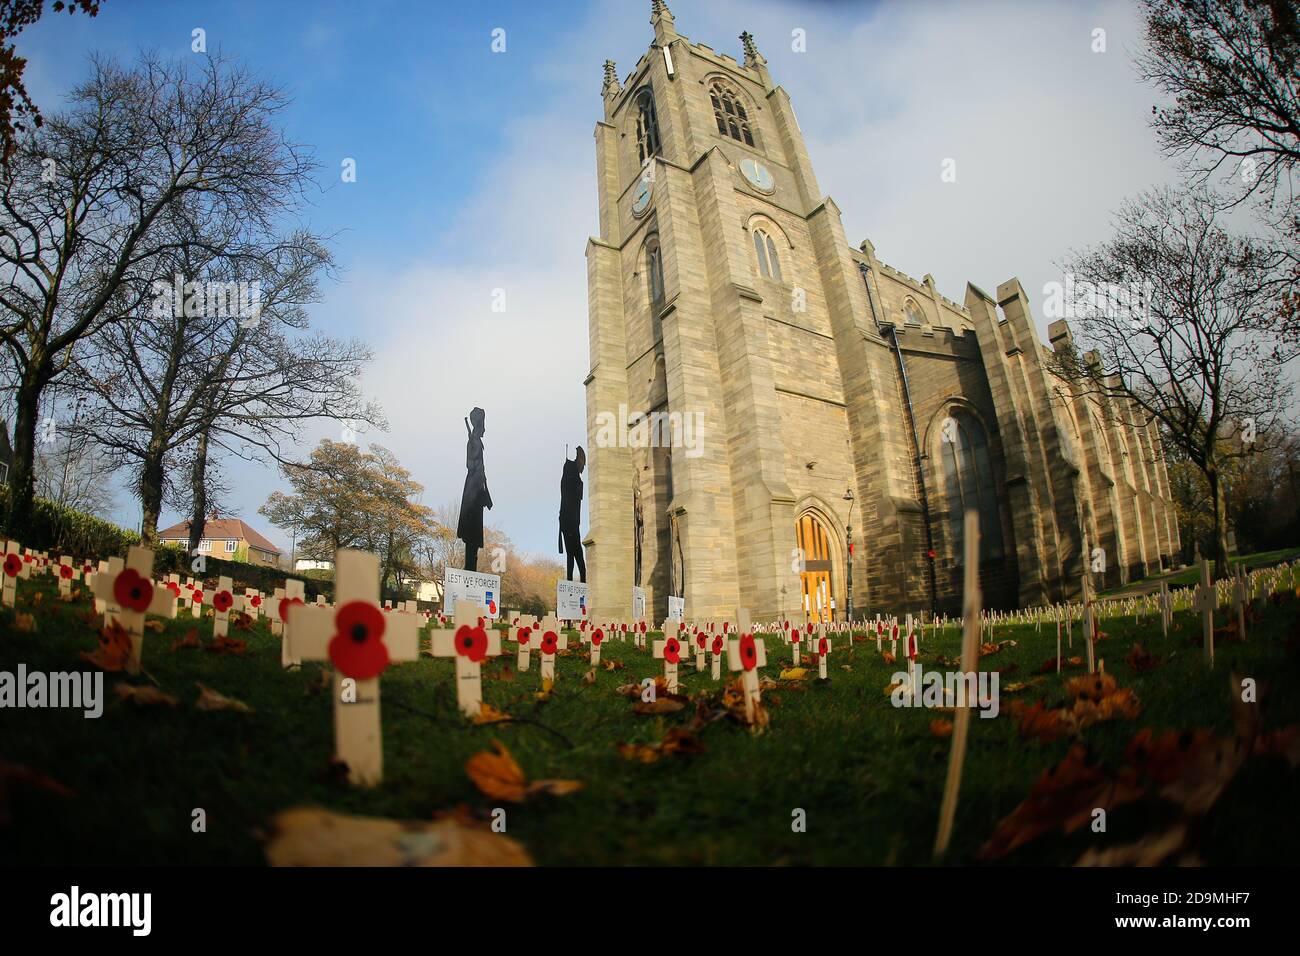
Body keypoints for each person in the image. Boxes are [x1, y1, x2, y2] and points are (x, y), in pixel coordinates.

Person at [457, 407, 492, 571]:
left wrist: (487, 496)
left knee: (475, 537)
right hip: (472, 492)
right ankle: (469, 569)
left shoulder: (476, 441)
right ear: (479, 424)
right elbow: (471, 465)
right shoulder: (474, 441)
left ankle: (471, 568)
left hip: (477, 491)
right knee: (471, 534)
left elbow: (482, 473)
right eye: (483, 424)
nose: (485, 428)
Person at [558, 446, 586, 582]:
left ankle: (575, 580)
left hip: (571, 521)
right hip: (569, 521)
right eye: (582, 464)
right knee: (575, 553)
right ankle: (577, 581)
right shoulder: (571, 475)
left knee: (573, 554)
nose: (583, 468)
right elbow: (570, 498)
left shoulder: (573, 477)